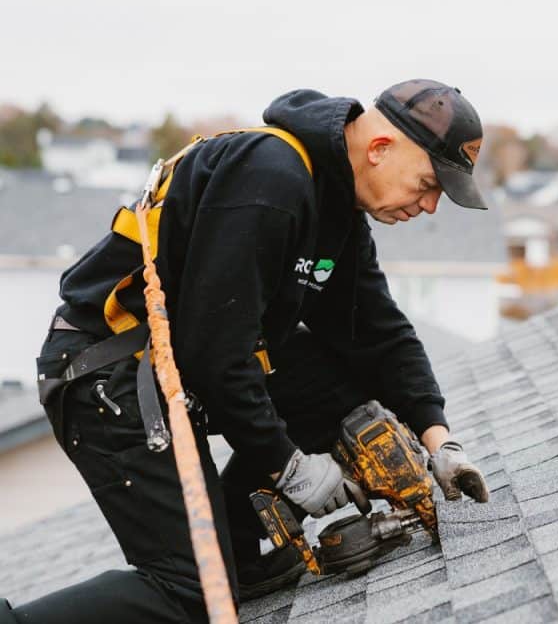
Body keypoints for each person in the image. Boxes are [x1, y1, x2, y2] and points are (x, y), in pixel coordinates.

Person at [2, 80, 491, 623]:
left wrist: (439, 438)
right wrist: (290, 469)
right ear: (379, 149)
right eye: (428, 184)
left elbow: (377, 332)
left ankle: (237, 545)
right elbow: (216, 355)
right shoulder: (271, 178)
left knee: (340, 379)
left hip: (177, 367)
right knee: (191, 592)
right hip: (108, 373)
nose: (428, 206)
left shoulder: (336, 210)